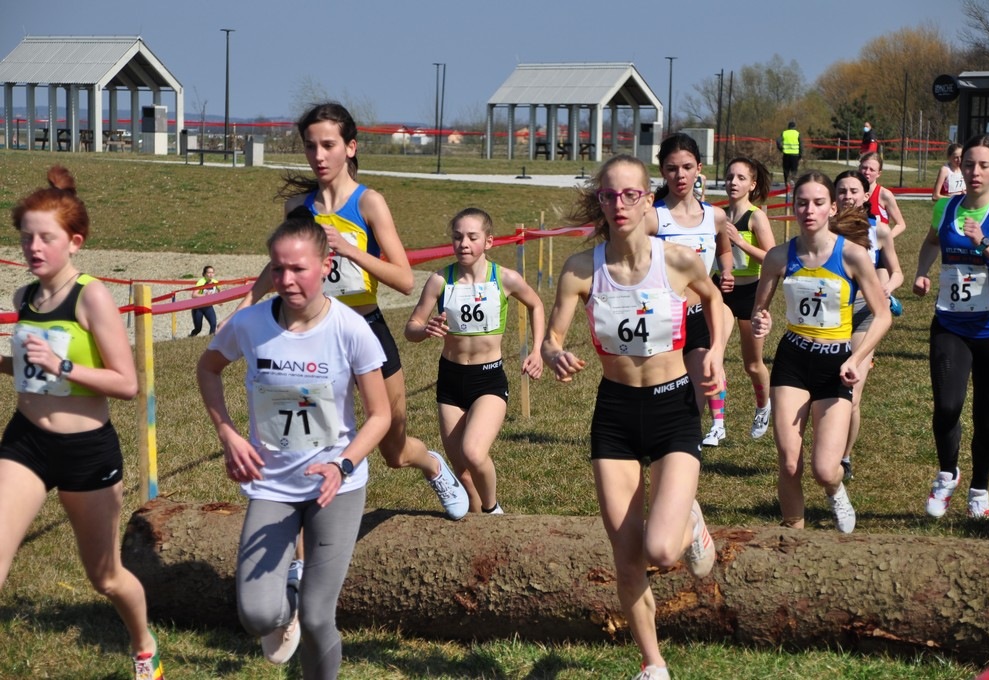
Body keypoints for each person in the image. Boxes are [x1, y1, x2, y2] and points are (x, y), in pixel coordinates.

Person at [230, 102, 469, 520]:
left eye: (328, 145)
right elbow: (278, 265)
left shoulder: (369, 203)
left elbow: (404, 279)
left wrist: (348, 249)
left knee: (394, 451)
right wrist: (246, 305)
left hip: (366, 329)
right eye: (310, 146)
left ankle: (431, 464)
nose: (318, 156)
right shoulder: (297, 208)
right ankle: (306, 532)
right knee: (307, 441)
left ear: (350, 147)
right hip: (313, 337)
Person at [543, 154, 724, 680]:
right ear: (599, 202)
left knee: (661, 550)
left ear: (648, 199)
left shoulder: (678, 261)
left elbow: (715, 301)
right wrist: (553, 353)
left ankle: (690, 520)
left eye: (630, 195)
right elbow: (553, 336)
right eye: (609, 195)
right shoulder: (581, 269)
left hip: (673, 409)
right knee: (627, 558)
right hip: (616, 413)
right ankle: (654, 664)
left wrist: (715, 352)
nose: (619, 204)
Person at [197, 216, 391, 677]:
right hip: (272, 484)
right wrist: (228, 434)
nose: (286, 280)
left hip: (334, 487)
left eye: (298, 269)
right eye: (278, 269)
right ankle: (288, 605)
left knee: (320, 616)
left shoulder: (351, 329)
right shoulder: (250, 324)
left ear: (325, 266)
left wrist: (342, 466)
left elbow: (380, 415)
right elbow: (208, 368)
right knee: (257, 615)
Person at [0, 166, 162, 680]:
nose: (34, 247)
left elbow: (126, 383)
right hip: (25, 442)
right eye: (26, 237)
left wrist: (61, 364)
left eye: (45, 238)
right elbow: (29, 370)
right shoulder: (24, 298)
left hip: (85, 451)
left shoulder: (91, 296)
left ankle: (144, 645)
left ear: (75, 242)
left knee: (106, 577)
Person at [751, 171, 892, 533]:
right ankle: (792, 535)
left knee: (825, 469)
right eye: (801, 203)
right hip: (793, 360)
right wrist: (761, 321)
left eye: (817, 203)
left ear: (831, 208)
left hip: (835, 363)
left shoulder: (853, 255)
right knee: (789, 463)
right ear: (793, 206)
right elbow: (759, 310)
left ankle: (834, 489)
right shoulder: (778, 257)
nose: (808, 210)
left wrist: (856, 358)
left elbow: (882, 316)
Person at [404, 207, 545, 514]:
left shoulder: (504, 278)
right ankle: (478, 526)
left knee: (474, 452)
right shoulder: (439, 280)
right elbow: (410, 328)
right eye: (457, 237)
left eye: (472, 237)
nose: (464, 244)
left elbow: (536, 305)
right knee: (463, 472)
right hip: (451, 380)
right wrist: (424, 330)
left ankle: (493, 510)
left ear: (489, 241)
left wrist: (536, 351)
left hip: (488, 380)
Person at [913, 134, 989, 520]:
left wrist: (985, 244)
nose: (974, 171)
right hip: (950, 325)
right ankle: (947, 475)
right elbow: (931, 242)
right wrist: (923, 271)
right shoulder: (945, 207)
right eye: (969, 164)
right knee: (947, 406)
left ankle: (980, 489)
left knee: (987, 419)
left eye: (984, 165)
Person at [646, 133, 733, 447]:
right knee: (660, 386)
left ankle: (686, 443)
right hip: (661, 318)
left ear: (699, 168)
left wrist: (726, 271)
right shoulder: (652, 218)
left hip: (698, 315)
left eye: (686, 167)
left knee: (699, 383)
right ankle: (659, 437)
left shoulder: (715, 216)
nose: (679, 175)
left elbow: (725, 250)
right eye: (671, 168)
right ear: (662, 171)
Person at [834, 170, 903, 481]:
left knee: (852, 391)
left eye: (853, 191)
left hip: (865, 312)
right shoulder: (822, 229)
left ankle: (844, 457)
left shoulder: (880, 231)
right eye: (842, 191)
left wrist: (886, 288)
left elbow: (897, 272)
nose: (847, 196)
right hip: (829, 315)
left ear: (865, 196)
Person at [721, 156, 776, 439]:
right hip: (721, 292)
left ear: (752, 184)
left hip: (751, 294)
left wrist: (740, 242)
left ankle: (763, 406)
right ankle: (716, 422)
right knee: (712, 356)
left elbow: (773, 258)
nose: (733, 182)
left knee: (752, 364)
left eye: (741, 178)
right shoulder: (718, 215)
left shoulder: (756, 217)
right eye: (730, 176)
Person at [858, 151, 907, 238]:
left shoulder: (884, 195)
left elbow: (901, 224)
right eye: (864, 168)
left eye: (872, 170)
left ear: (878, 174)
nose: (867, 172)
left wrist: (886, 239)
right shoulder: (850, 193)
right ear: (859, 168)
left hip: (878, 244)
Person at [189, 264, 219, 336]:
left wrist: (219, 301)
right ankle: (191, 336)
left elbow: (220, 291)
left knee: (213, 324)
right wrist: (205, 296)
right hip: (198, 307)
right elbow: (194, 295)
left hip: (208, 306)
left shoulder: (215, 282)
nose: (211, 274)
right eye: (209, 273)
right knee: (198, 329)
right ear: (205, 274)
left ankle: (211, 339)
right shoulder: (201, 282)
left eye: (212, 272)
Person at [777, 121, 803, 187]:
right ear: (795, 127)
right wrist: (801, 155)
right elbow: (801, 145)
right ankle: (792, 182)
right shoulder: (797, 134)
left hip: (786, 154)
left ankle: (786, 182)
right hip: (795, 155)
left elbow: (778, 141)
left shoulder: (784, 133)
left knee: (786, 169)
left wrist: (781, 149)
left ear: (788, 127)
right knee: (794, 169)